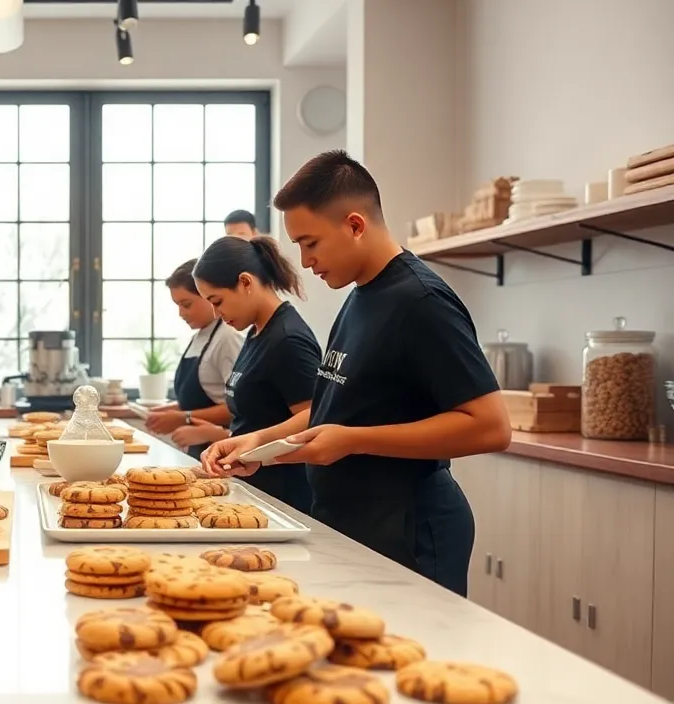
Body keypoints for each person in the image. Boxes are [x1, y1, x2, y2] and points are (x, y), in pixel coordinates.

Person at [203, 149, 511, 596]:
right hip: (355, 522)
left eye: (311, 243)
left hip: (409, 526)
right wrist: (258, 441)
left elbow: (491, 427)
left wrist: (354, 441)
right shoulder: (361, 295)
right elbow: (340, 409)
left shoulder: (421, 301)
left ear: (354, 224)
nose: (305, 262)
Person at [190, 236, 319, 513]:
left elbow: (314, 416)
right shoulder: (256, 331)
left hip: (286, 496)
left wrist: (258, 442)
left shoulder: (287, 339)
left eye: (218, 300)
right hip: (256, 485)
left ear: (246, 282)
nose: (216, 313)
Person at [143, 259, 243, 460]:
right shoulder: (198, 337)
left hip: (225, 450)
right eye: (177, 306)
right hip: (199, 450)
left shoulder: (228, 337)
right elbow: (201, 397)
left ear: (207, 295)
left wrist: (185, 417)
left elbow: (238, 406)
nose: (181, 314)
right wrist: (170, 411)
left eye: (186, 304)